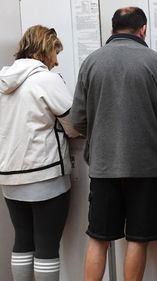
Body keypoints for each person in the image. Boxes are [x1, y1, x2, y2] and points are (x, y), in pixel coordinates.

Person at [70, 7, 157, 281]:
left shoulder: (91, 63)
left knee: (98, 237)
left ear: (113, 28)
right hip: (146, 167)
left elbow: (77, 120)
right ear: (143, 29)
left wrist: (101, 135)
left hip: (103, 166)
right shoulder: (156, 62)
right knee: (138, 239)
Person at [0, 25, 80, 281]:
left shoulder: (3, 81)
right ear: (45, 51)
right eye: (56, 53)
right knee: (46, 245)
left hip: (10, 176)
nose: (56, 62)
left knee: (22, 240)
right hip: (44, 175)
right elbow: (75, 125)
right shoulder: (46, 79)